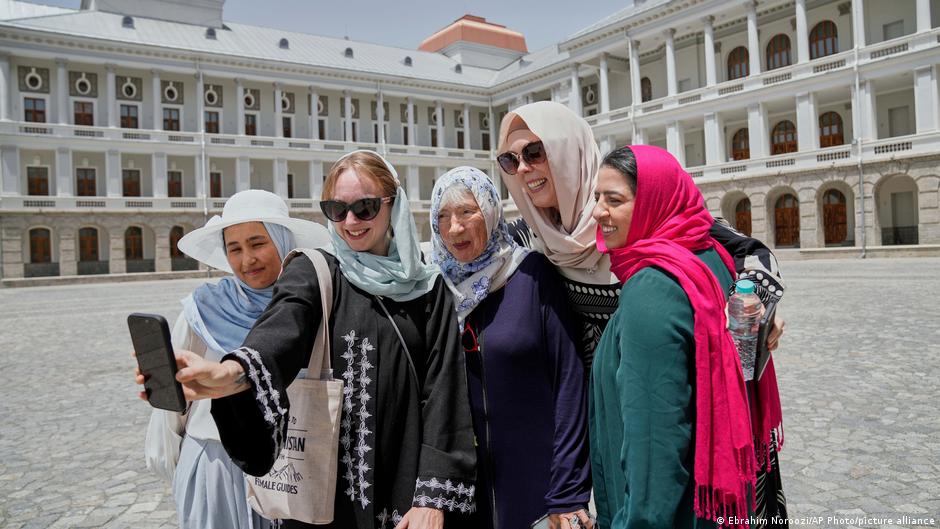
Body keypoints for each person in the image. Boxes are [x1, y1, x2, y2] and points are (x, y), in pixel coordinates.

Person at [137, 151, 477, 529]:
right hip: (326, 501)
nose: (351, 221)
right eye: (337, 209)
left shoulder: (429, 289)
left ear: (392, 204)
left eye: (365, 208)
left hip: (405, 494)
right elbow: (280, 331)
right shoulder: (314, 271)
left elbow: (443, 391)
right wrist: (231, 374)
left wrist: (431, 498)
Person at [497, 101, 788, 524]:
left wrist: (759, 303)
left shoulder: (638, 206)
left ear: (566, 150)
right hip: (603, 407)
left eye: (534, 152)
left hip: (670, 397)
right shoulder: (528, 237)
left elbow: (745, 252)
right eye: (510, 160)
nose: (523, 168)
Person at [588, 145, 783, 529]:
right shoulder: (709, 255)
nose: (597, 211)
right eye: (597, 197)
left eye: (614, 200)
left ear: (654, 202)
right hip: (717, 499)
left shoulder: (652, 287)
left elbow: (653, 447)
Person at [143, 189, 330, 529]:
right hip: (215, 467)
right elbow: (173, 404)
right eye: (235, 248)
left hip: (294, 468)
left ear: (282, 242)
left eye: (258, 243)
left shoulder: (312, 309)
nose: (247, 260)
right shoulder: (203, 310)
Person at [428, 166, 592, 529]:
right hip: (463, 497)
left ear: (489, 211)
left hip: (539, 490)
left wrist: (568, 491)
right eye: (443, 216)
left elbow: (569, 384)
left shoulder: (531, 275)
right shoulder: (435, 291)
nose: (455, 228)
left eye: (467, 211)